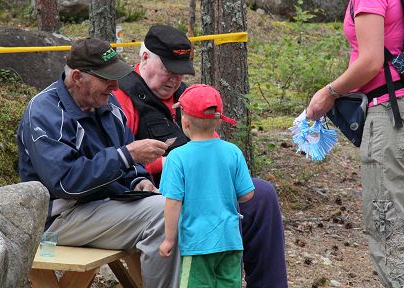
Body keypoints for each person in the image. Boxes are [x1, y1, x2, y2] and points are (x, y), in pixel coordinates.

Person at [301, 0, 404, 288]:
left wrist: (329, 92)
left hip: (390, 115)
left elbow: (371, 60)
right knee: (401, 221)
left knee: (386, 223)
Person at [114, 24, 288, 288]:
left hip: (203, 185)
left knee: (262, 195)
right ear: (145, 58)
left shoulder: (190, 96)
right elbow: (118, 160)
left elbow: (214, 148)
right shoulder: (121, 96)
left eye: (180, 72)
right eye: (168, 70)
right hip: (158, 192)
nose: (174, 79)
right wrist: (162, 163)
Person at [17, 37, 180, 287]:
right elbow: (67, 183)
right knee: (162, 214)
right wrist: (128, 155)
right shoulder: (44, 112)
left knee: (173, 203)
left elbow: (126, 163)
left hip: (102, 206)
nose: (115, 86)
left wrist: (139, 181)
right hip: (58, 218)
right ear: (77, 77)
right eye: (107, 79)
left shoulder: (106, 103)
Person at [158, 84, 255, 287]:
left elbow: (173, 202)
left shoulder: (177, 157)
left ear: (184, 122)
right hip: (231, 241)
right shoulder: (233, 152)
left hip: (197, 244)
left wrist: (168, 239)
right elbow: (247, 195)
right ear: (218, 121)